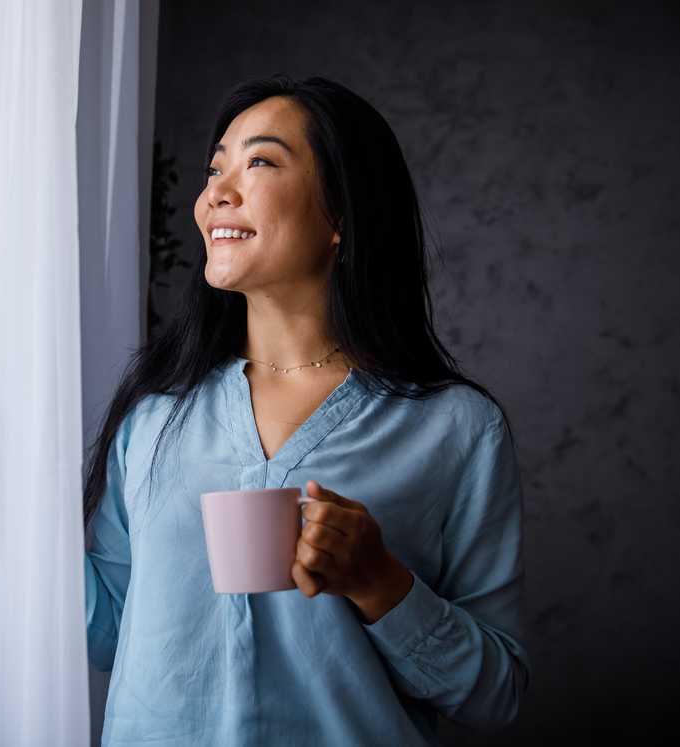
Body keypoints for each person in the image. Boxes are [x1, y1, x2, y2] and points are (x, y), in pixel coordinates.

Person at [83, 73, 530, 746]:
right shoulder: (153, 416)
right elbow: (112, 632)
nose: (216, 194)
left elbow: (497, 695)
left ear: (340, 215)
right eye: (215, 169)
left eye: (260, 162)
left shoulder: (457, 428)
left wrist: (380, 583)